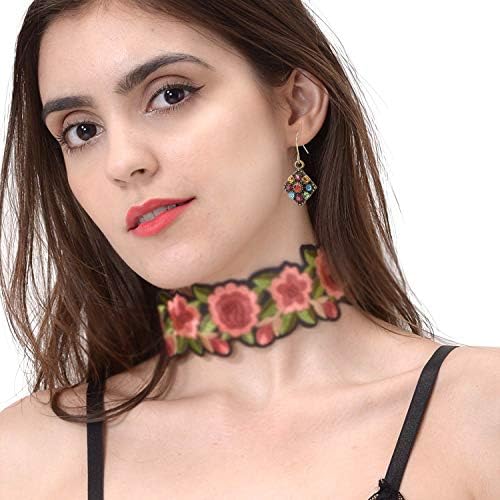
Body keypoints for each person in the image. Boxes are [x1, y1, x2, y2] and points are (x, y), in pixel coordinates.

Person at [0, 1, 498, 499]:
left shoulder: (480, 414)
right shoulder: (27, 459)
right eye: (82, 130)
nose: (123, 161)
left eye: (170, 95)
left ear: (297, 106)